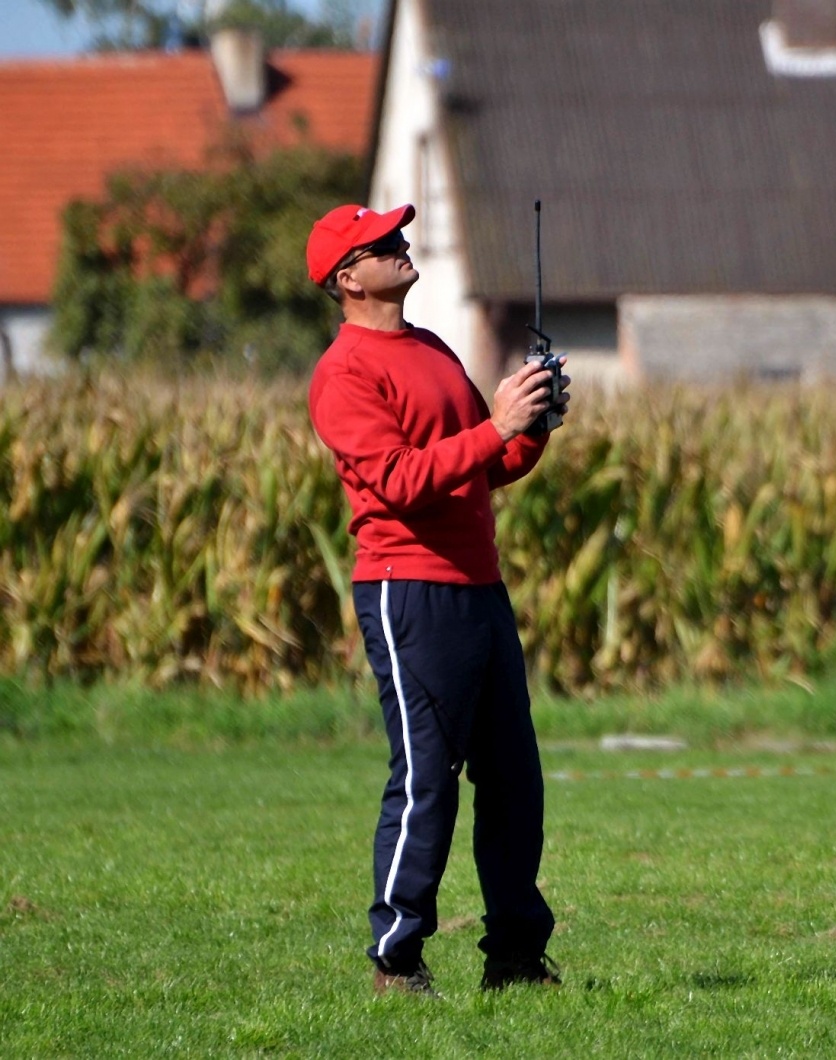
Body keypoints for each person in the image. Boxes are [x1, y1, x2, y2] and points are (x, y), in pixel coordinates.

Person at [304, 203, 569, 997]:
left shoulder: (432, 349)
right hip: (408, 588)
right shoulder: (344, 372)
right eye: (382, 243)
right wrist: (497, 427)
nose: (401, 245)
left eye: (399, 235)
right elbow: (398, 481)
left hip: (480, 587)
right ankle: (397, 958)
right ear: (348, 279)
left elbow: (484, 465)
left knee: (514, 779)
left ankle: (515, 957)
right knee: (428, 778)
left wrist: (532, 425)